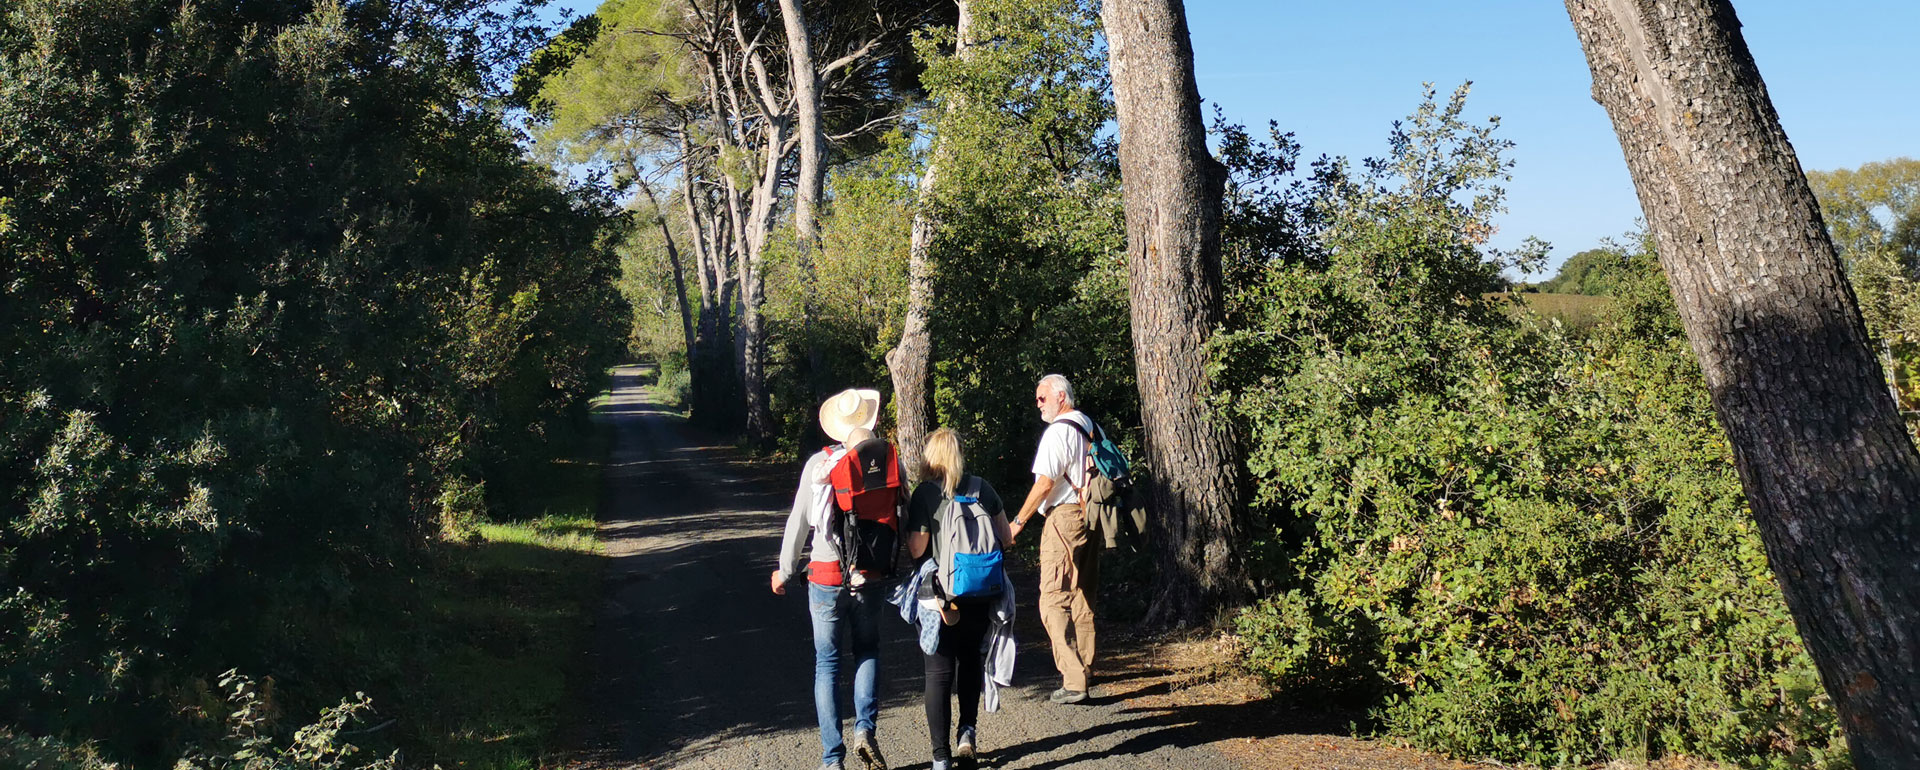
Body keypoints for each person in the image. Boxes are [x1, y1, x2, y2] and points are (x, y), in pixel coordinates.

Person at [772, 388, 900, 770]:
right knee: (868, 651)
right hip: (871, 573)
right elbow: (901, 511)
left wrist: (785, 568)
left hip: (827, 576)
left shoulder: (819, 465)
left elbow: (799, 522)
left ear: (837, 427)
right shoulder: (887, 463)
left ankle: (832, 759)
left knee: (827, 663)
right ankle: (865, 729)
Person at [905, 429, 1013, 770]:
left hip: (938, 596)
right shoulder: (983, 488)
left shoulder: (924, 494)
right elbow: (1006, 538)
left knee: (938, 673)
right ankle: (967, 734)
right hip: (979, 591)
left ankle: (940, 759)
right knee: (969, 662)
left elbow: (917, 549)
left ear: (931, 457)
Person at [1007, 373, 1097, 704]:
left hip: (1064, 518)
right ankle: (1085, 667)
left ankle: (1074, 681)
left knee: (1052, 598)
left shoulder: (1058, 431)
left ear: (1061, 396)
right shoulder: (1087, 424)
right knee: (1082, 594)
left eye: (1042, 397)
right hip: (1092, 516)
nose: (1038, 404)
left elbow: (1045, 484)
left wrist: (1018, 522)